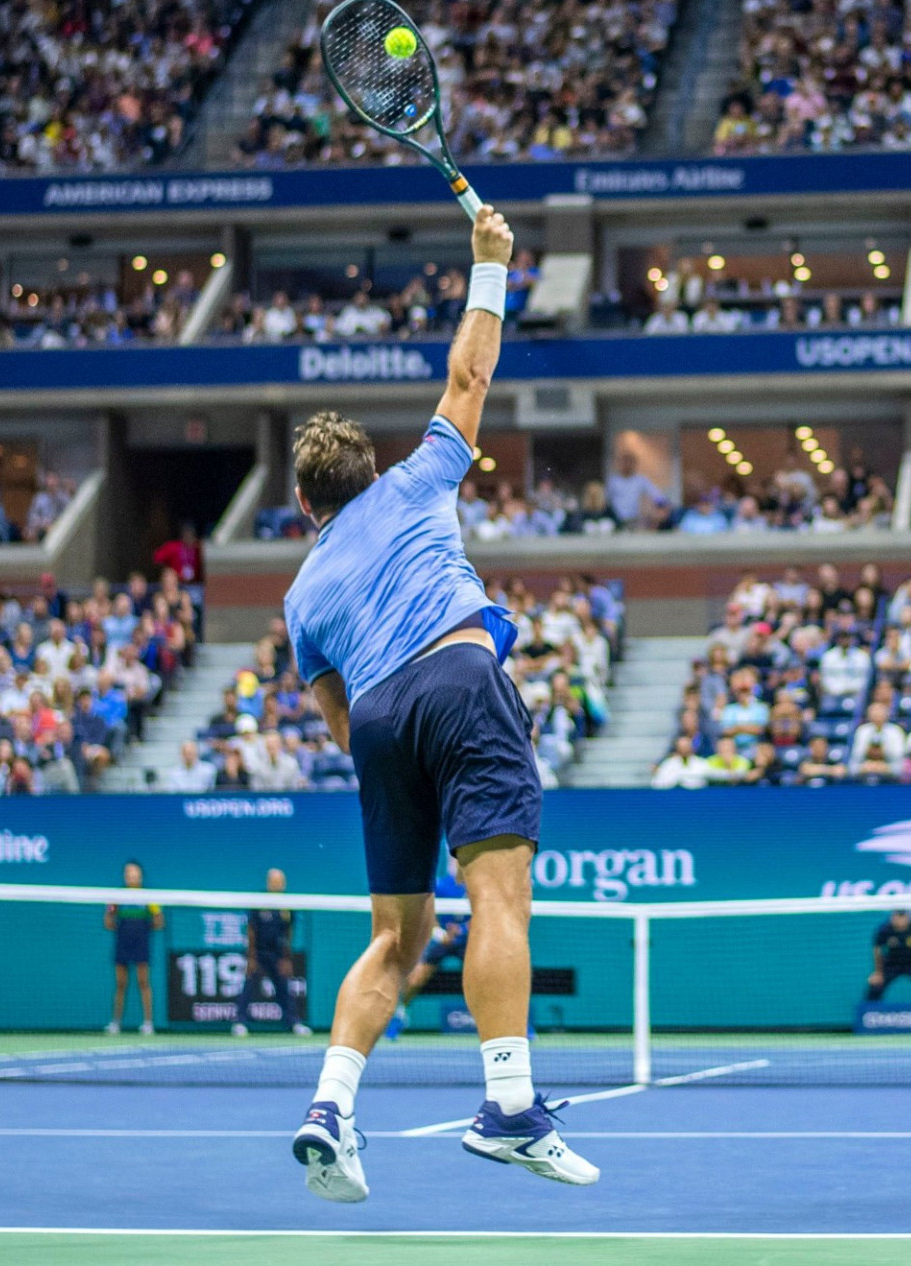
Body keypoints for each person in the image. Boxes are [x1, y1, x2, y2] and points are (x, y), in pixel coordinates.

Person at [282, 206, 596, 1202]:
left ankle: (330, 1108)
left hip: (377, 722)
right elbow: (468, 378)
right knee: (498, 900)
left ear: (304, 508)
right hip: (458, 678)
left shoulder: (299, 597)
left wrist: (405, 745)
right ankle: (508, 1107)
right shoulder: (416, 482)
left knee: (396, 938)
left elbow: (339, 723)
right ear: (368, 475)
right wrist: (489, 265)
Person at [386, 857, 469, 1039]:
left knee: (486, 980)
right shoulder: (440, 886)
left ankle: (519, 1024)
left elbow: (483, 914)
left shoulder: (474, 886)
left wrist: (462, 930)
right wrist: (440, 933)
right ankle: (399, 1016)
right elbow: (428, 912)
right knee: (415, 979)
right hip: (442, 941)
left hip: (468, 941)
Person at [233, 868, 311, 1037]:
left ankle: (293, 1022)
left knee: (284, 987)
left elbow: (289, 932)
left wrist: (286, 958)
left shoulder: (287, 905)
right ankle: (240, 1022)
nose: (277, 885)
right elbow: (251, 929)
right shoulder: (260, 901)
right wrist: (251, 957)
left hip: (277, 955)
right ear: (269, 883)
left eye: (280, 882)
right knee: (248, 986)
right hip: (258, 952)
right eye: (274, 881)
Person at [104, 860, 163, 1035]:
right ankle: (115, 1023)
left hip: (141, 943)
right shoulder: (117, 896)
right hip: (122, 942)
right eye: (128, 873)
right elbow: (108, 919)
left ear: (141, 876)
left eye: (134, 873)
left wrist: (143, 928)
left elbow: (159, 920)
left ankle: (148, 1023)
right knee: (120, 984)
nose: (131, 876)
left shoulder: (148, 897)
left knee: (143, 982)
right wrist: (121, 928)